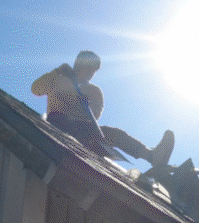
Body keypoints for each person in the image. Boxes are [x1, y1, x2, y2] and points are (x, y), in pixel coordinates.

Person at [32, 50, 174, 165]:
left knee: (115, 134)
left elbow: (94, 114)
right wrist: (57, 72)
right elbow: (36, 89)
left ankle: (152, 156)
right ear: (78, 64)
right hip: (57, 125)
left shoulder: (93, 91)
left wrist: (80, 104)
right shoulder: (59, 78)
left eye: (93, 71)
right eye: (88, 68)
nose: (90, 74)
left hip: (84, 130)